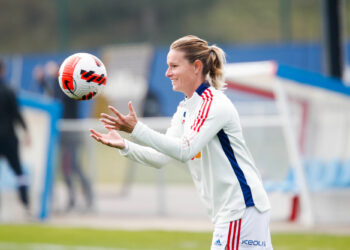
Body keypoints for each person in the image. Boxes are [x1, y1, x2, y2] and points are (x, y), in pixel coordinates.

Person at [90, 35, 273, 250]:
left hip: (240, 207)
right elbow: (161, 157)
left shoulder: (213, 104)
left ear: (196, 66)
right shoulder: (186, 109)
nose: (168, 73)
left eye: (174, 66)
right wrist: (126, 145)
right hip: (236, 211)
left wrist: (136, 129)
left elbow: (185, 150)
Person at [45, 61, 94, 212]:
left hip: (72, 133)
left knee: (73, 166)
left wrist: (56, 76)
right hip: (63, 134)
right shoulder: (59, 88)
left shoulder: (73, 88)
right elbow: (55, 95)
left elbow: (63, 94)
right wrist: (43, 81)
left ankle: (88, 194)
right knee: (66, 167)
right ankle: (72, 198)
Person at [0, 59, 30, 214]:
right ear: (3, 70)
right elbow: (17, 114)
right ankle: (26, 205)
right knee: (19, 172)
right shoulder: (9, 90)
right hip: (9, 139)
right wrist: (26, 132)